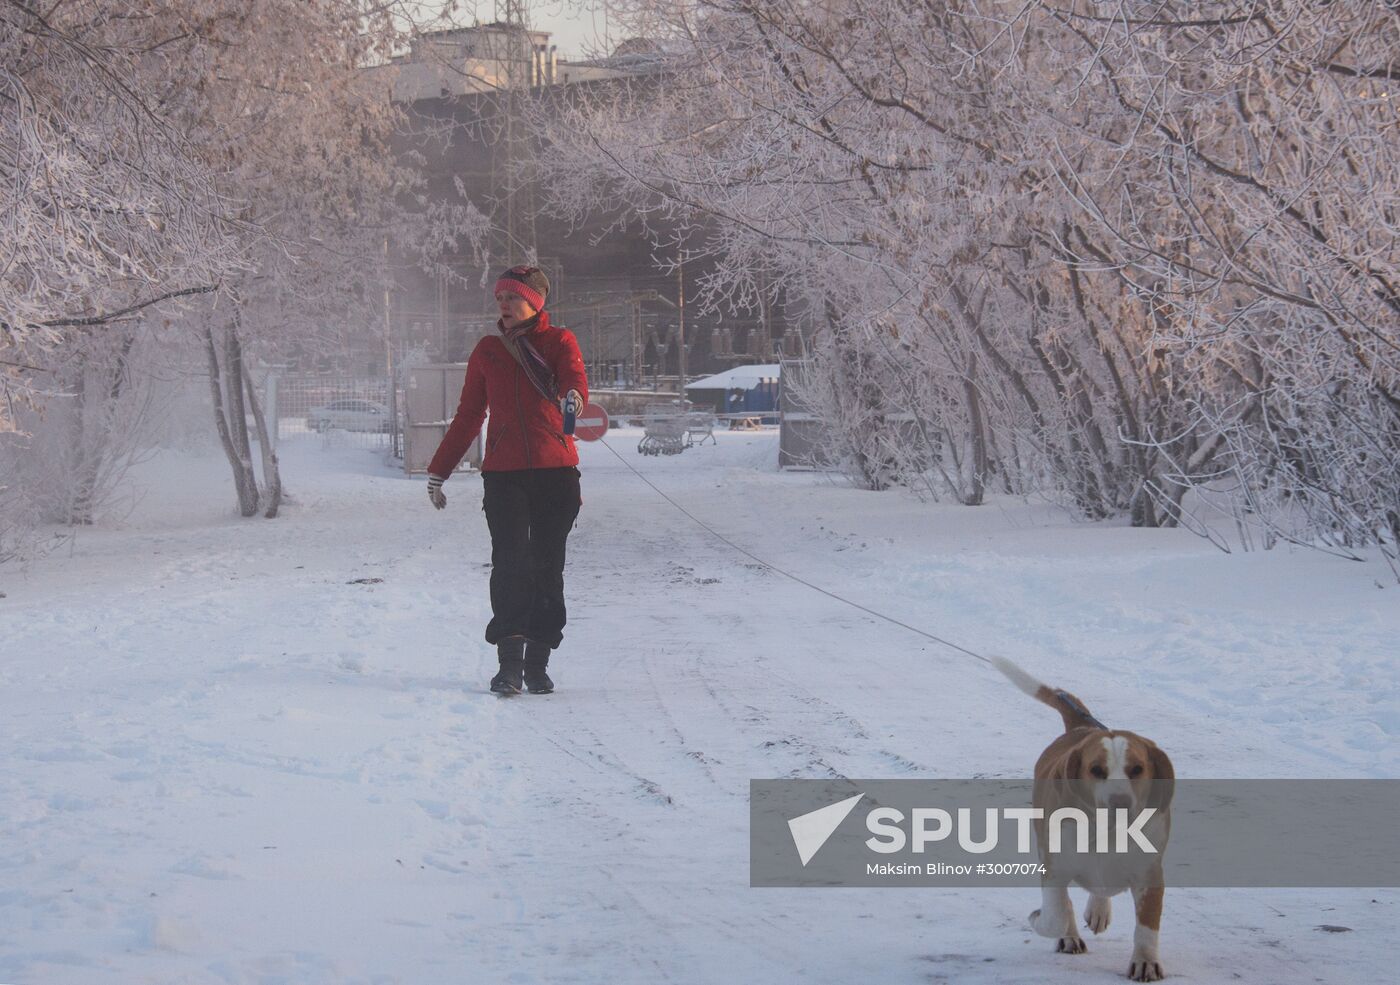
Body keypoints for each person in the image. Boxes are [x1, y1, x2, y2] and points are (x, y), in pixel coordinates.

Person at [425, 265, 587, 695]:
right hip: (504, 475)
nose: (503, 305)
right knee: (511, 563)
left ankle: (538, 662)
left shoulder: (559, 342)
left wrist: (574, 398)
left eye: (512, 298)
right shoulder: (488, 351)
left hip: (556, 473)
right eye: (499, 299)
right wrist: (439, 471)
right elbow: (468, 416)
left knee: (547, 567)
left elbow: (574, 379)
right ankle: (509, 665)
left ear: (534, 302)